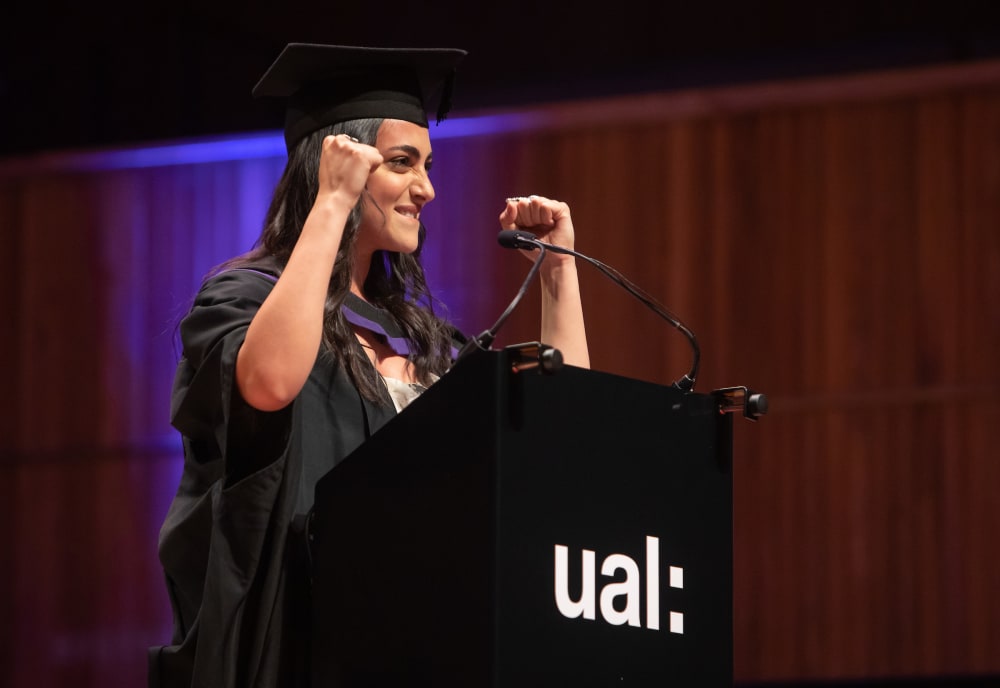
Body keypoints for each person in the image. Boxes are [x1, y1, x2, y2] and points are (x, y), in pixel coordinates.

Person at [148, 43, 590, 688]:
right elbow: (269, 385)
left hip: (418, 638)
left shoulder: (428, 340)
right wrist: (330, 204)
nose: (427, 189)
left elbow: (560, 434)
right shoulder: (244, 299)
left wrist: (557, 273)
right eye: (403, 163)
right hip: (300, 641)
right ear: (340, 161)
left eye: (428, 165)